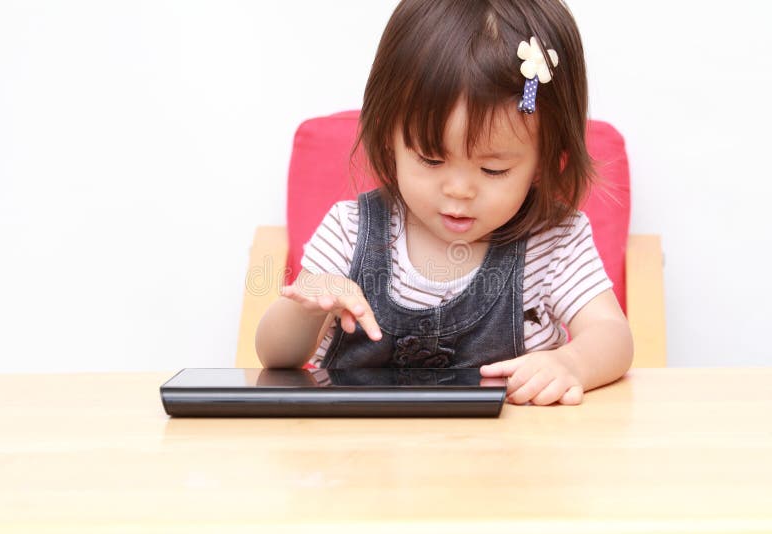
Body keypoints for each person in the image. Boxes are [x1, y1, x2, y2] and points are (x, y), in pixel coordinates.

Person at [256, 0, 633, 406]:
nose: (459, 191)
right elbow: (275, 357)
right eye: (431, 160)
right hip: (362, 459)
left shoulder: (554, 243)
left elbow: (613, 336)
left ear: (542, 161)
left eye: (493, 170)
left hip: (510, 460)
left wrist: (573, 363)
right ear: (388, 138)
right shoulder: (350, 233)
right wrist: (309, 307)